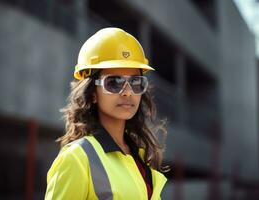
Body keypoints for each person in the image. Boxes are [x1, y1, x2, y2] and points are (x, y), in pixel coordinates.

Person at [45, 27, 168, 200]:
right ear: (93, 93)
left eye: (135, 82)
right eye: (114, 82)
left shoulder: (139, 157)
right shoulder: (76, 158)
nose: (127, 92)